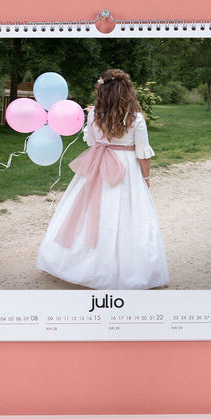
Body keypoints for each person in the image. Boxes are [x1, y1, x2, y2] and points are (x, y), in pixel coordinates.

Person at [36, 69, 169, 289]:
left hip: (98, 165)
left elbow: (90, 142)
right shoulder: (135, 118)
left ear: (102, 92)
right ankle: (124, 267)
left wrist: (95, 119)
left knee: (88, 211)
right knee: (128, 216)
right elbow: (143, 153)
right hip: (126, 170)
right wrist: (145, 179)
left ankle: (78, 263)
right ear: (127, 92)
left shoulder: (94, 114)